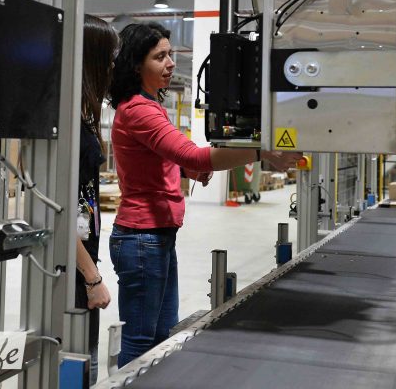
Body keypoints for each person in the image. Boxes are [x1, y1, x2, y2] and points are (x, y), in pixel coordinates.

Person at [108, 22, 302, 367]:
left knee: (162, 333)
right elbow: (193, 154)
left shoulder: (149, 105)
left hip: (156, 235)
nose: (171, 63)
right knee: (140, 341)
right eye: (160, 57)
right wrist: (262, 153)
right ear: (137, 65)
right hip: (141, 238)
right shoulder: (139, 109)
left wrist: (184, 171)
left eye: (170, 54)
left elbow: (154, 160)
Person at [74, 15, 117, 385]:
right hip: (72, 269)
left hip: (83, 258)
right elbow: (59, 212)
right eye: (110, 58)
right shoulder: (67, 122)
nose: (113, 68)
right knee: (75, 362)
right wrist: (91, 278)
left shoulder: (82, 116)